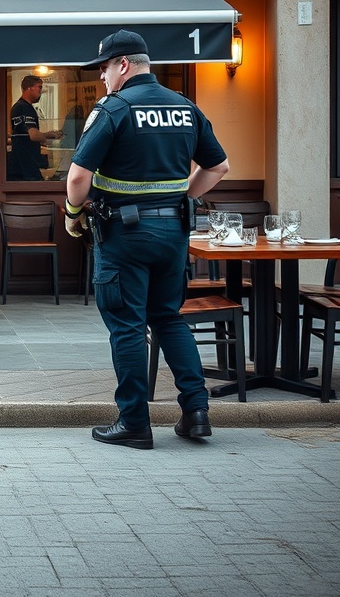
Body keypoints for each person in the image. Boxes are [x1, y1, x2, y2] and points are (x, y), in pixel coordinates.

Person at [64, 29, 229, 450]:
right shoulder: (184, 107)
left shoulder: (114, 108)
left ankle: (134, 422)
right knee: (169, 318)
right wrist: (178, 199)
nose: (101, 78)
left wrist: (72, 215)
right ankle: (196, 413)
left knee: (127, 327)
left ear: (122, 65)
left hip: (124, 236)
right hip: (173, 233)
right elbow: (219, 167)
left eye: (103, 69)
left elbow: (79, 176)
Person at [7, 74, 63, 180]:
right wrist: (50, 136)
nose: (40, 92)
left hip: (25, 162)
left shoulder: (21, 107)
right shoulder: (23, 107)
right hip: (25, 164)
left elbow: (23, 135)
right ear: (29, 88)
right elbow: (33, 135)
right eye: (39, 87)